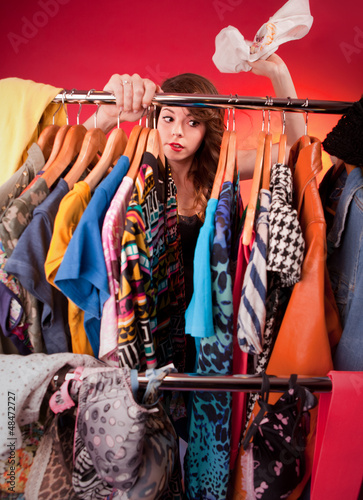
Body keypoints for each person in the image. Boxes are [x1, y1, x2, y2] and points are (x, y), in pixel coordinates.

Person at [83, 53, 305, 369]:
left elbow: (297, 149)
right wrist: (106, 116)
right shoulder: (132, 172)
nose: (177, 132)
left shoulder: (222, 169)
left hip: (210, 332)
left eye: (192, 122)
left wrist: (279, 73)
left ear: (206, 128)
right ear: (154, 119)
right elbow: (74, 159)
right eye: (169, 118)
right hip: (153, 330)